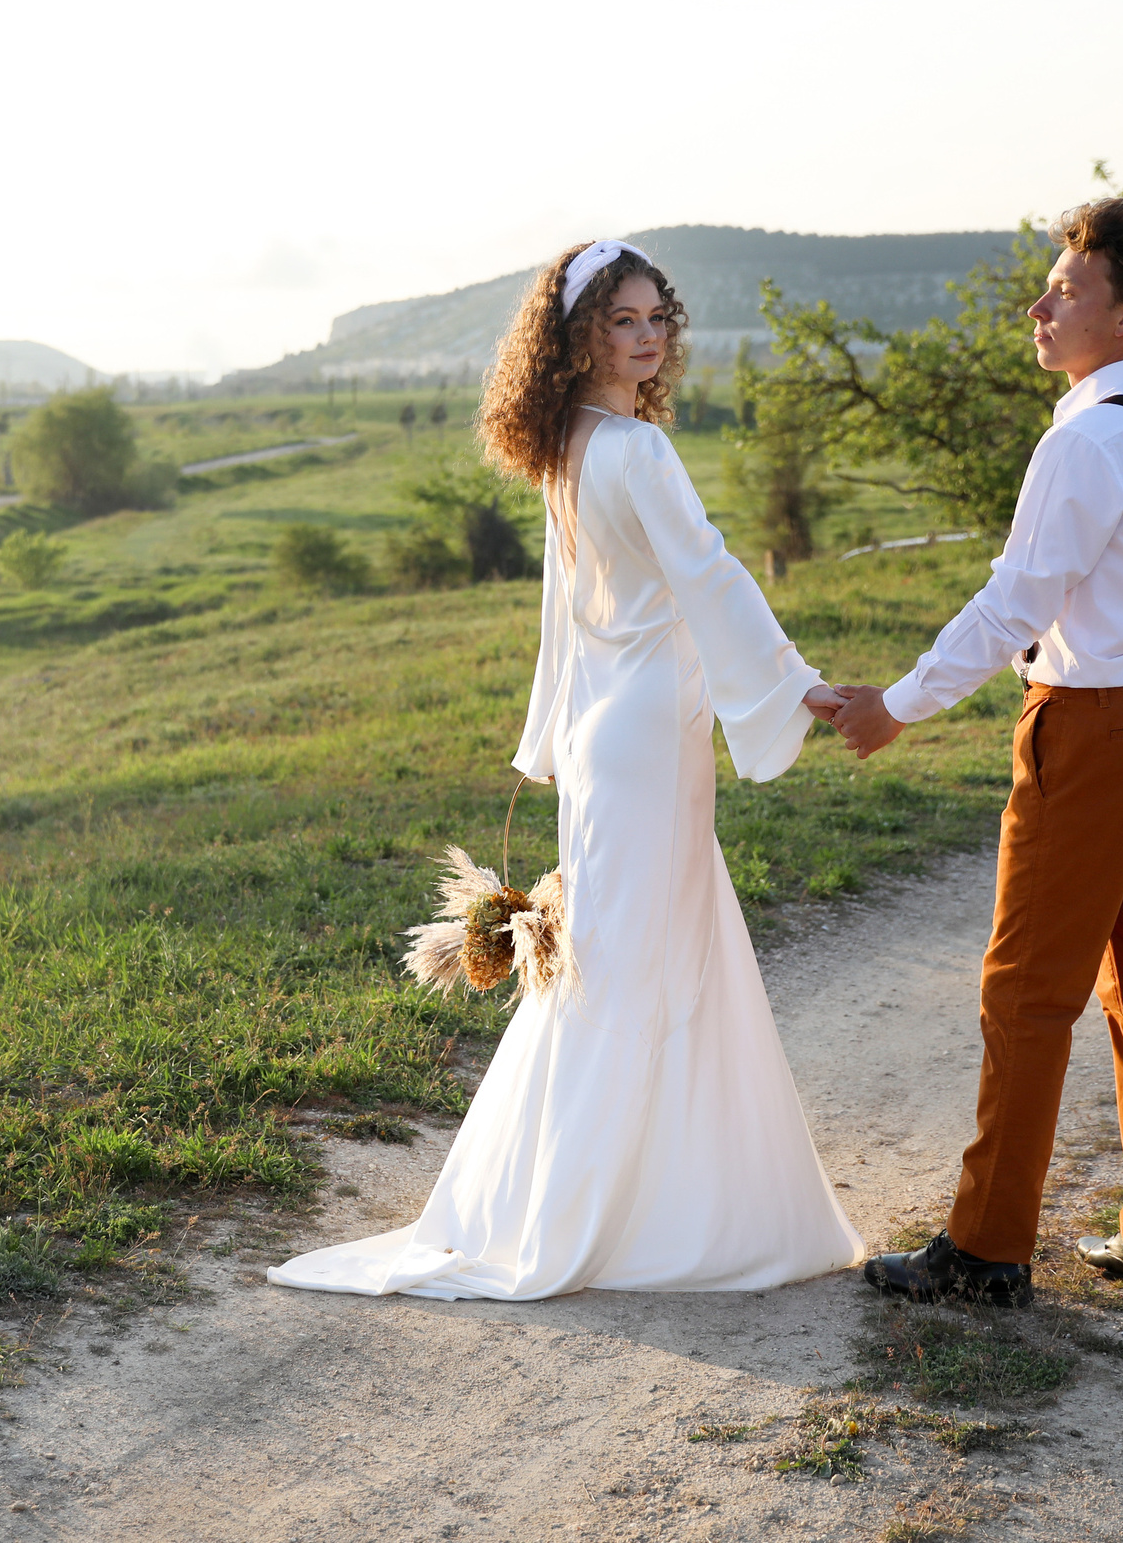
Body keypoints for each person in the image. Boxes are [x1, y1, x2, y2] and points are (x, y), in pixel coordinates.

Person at [269, 240, 863, 1301]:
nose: (646, 338)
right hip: (642, 729)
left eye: (655, 319)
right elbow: (711, 574)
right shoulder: (632, 452)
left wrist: (551, 734)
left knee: (627, 956)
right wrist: (795, 683)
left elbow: (570, 613)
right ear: (576, 335)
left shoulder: (570, 444)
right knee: (627, 968)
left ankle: (640, 1194)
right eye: (621, 320)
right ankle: (597, 1215)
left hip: (612, 730)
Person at [829, 197, 1123, 1309]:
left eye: (1065, 290)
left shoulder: (1088, 438)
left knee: (1025, 990)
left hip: (1098, 724)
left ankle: (988, 1248)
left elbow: (1016, 602)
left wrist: (899, 705)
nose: (1038, 305)